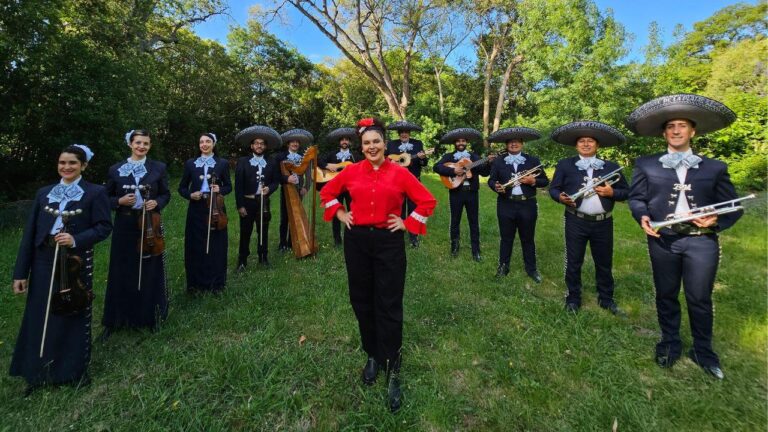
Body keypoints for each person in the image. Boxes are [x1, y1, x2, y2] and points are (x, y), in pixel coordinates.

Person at [320, 117, 436, 412]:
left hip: (388, 243)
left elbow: (427, 202)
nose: (371, 147)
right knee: (362, 300)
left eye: (376, 142)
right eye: (367, 143)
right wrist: (341, 214)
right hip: (357, 242)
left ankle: (393, 365)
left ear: (386, 144)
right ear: (361, 147)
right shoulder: (351, 172)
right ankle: (372, 354)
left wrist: (408, 222)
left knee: (389, 301)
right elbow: (327, 193)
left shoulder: (400, 173)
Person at [627, 94, 742, 380]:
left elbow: (733, 206)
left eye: (682, 125)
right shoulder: (646, 164)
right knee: (666, 294)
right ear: (664, 132)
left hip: (701, 241)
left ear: (693, 131)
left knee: (699, 297)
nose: (676, 131)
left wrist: (716, 219)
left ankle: (703, 351)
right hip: (663, 240)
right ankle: (669, 343)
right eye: (670, 126)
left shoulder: (715, 167)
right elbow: (637, 198)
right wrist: (641, 215)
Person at [10, 144, 112, 395]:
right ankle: (36, 373)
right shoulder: (44, 193)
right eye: (62, 163)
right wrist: (20, 273)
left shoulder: (94, 193)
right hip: (43, 261)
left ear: (84, 166)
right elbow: (30, 235)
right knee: (39, 315)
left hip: (73, 262)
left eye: (72, 163)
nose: (66, 167)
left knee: (71, 312)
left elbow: (103, 227)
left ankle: (72, 371)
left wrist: (75, 239)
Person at [549, 121, 629, 314]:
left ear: (597, 145)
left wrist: (612, 193)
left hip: (603, 221)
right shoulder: (565, 164)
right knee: (574, 260)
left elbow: (627, 192)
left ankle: (606, 298)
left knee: (604, 261)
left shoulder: (611, 166)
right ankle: (573, 298)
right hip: (575, 219)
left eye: (590, 141)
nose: (586, 144)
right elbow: (554, 189)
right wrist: (560, 197)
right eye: (582, 141)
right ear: (576, 145)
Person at [102, 130, 171, 335]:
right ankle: (115, 320)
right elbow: (104, 198)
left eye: (146, 143)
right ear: (130, 144)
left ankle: (151, 316)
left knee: (151, 267)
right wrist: (119, 202)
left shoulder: (158, 168)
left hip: (150, 224)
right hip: (125, 225)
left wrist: (156, 202)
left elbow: (166, 194)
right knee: (121, 269)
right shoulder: (116, 170)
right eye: (138, 142)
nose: (142, 146)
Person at [487, 127, 549, 282]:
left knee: (528, 238)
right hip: (505, 204)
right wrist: (496, 186)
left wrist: (533, 181)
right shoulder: (498, 161)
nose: (514, 144)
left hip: (527, 204)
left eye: (517, 141)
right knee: (506, 238)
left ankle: (531, 269)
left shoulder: (532, 160)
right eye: (510, 142)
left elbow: (545, 180)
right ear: (507, 144)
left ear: (522, 143)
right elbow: (491, 179)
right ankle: (503, 267)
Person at [178, 133, 232, 293]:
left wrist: (219, 189)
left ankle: (216, 283)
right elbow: (181, 187)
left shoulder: (222, 163)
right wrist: (190, 195)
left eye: (208, 141)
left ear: (213, 144)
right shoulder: (190, 163)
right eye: (201, 142)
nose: (204, 144)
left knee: (217, 245)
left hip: (216, 208)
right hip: (196, 208)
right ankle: (195, 284)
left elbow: (228, 186)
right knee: (195, 244)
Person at [432, 128, 495, 261]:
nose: (461, 143)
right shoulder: (449, 156)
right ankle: (454, 247)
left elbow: (484, 173)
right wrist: (454, 170)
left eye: (463, 141)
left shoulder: (474, 157)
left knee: (474, 221)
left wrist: (488, 162)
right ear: (455, 143)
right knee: (455, 220)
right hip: (456, 192)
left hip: (472, 193)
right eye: (458, 141)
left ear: (467, 142)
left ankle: (476, 250)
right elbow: (436, 167)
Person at [234, 125, 282, 270]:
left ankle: (263, 257)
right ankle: (242, 260)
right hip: (248, 202)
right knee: (245, 231)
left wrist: (269, 189)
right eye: (256, 143)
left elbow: (276, 181)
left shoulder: (272, 161)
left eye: (262, 144)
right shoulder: (243, 161)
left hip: (263, 202)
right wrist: (240, 205)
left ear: (265, 146)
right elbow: (238, 186)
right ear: (251, 145)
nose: (259, 146)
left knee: (263, 230)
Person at [385, 120, 428, 248]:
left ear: (409, 133)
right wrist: (391, 163)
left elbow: (424, 163)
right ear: (399, 133)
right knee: (398, 208)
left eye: (406, 132)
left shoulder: (417, 143)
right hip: (396, 182)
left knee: (413, 208)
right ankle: (398, 234)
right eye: (402, 132)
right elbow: (385, 159)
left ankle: (413, 236)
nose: (404, 134)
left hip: (413, 181)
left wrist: (422, 158)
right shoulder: (392, 144)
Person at [317, 127, 359, 246]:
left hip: (351, 188)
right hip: (336, 188)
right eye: (342, 140)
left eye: (346, 140)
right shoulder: (332, 154)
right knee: (336, 211)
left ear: (349, 142)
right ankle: (337, 240)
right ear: (339, 142)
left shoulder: (355, 155)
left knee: (352, 211)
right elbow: (318, 160)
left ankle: (353, 236)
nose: (344, 142)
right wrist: (327, 165)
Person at [275, 129, 313, 252]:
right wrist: (287, 178)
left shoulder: (303, 157)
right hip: (287, 189)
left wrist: (306, 187)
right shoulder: (281, 157)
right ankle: (282, 243)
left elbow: (308, 173)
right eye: (292, 142)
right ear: (288, 144)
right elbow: (275, 175)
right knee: (285, 217)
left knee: (297, 215)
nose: (295, 144)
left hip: (299, 190)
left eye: (297, 142)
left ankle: (292, 241)